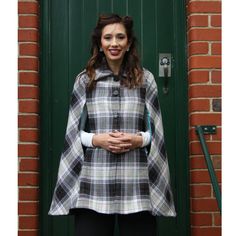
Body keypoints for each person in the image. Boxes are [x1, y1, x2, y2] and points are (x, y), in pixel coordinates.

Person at [49, 14, 176, 236]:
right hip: (94, 183)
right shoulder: (85, 80)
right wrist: (97, 139)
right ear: (100, 44)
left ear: (128, 44)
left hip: (136, 183)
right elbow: (73, 133)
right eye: (108, 38)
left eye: (120, 37)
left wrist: (138, 140)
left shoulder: (145, 79)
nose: (114, 43)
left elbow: (155, 132)